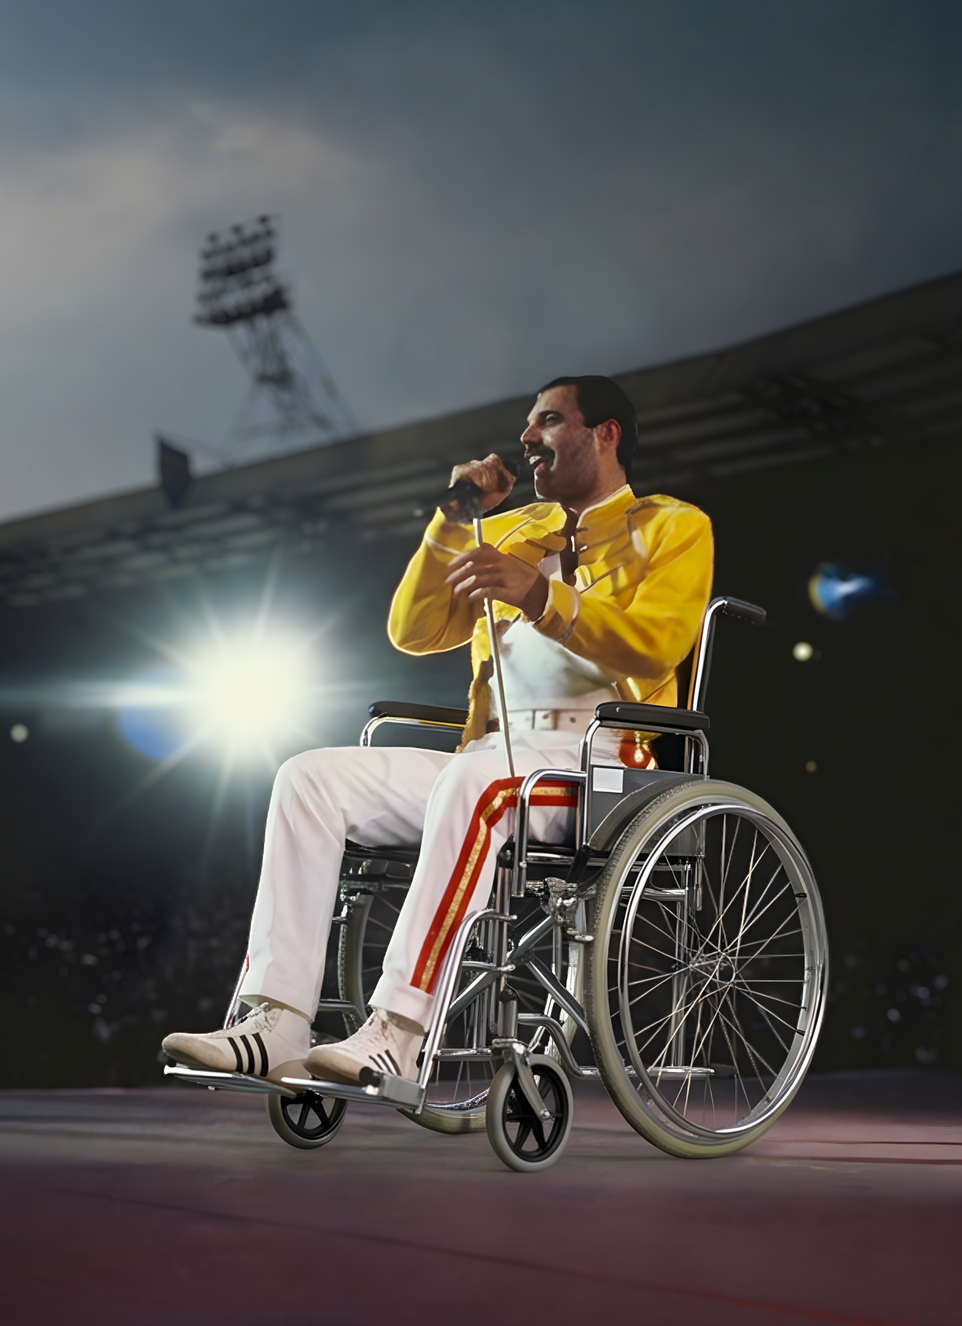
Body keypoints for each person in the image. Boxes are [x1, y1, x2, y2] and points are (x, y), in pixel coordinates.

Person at [161, 374, 714, 1086]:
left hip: (603, 762)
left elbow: (656, 645)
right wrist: (455, 515)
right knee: (308, 778)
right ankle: (275, 1020)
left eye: (548, 420)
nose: (526, 437)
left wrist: (539, 595)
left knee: (475, 783)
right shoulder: (509, 532)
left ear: (604, 433)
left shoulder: (672, 525)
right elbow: (413, 630)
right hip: (494, 751)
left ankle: (398, 1030)